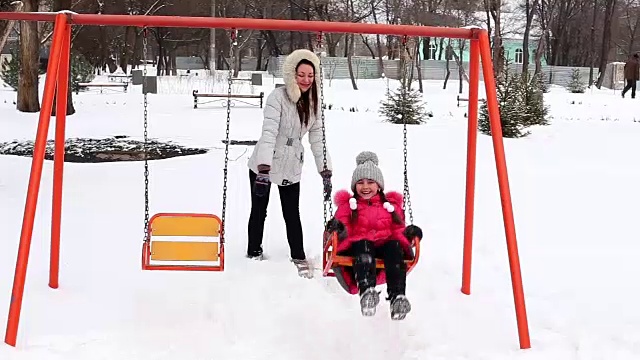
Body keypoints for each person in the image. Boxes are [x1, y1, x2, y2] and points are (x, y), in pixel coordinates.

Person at [246, 49, 333, 279]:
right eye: (301, 75)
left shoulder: (314, 103)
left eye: (310, 76)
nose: (306, 80)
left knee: (291, 212)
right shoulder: (278, 97)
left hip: (291, 162)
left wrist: (325, 169)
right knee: (259, 210)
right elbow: (268, 133)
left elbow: (318, 137)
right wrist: (264, 169)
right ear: (292, 75)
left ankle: (298, 254)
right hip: (266, 160)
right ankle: (253, 252)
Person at [326, 151, 423, 320]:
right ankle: (367, 292)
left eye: (370, 182)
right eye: (360, 182)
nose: (365, 187)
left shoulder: (390, 207)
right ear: (354, 186)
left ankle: (397, 297)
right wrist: (338, 228)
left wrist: (409, 234)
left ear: (379, 185)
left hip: (384, 249)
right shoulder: (348, 206)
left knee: (394, 247)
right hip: (358, 251)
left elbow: (398, 230)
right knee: (363, 244)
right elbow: (344, 230)